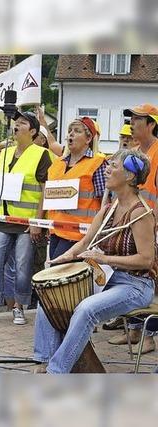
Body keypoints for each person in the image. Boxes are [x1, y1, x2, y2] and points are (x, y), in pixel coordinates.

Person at [44, 149, 155, 373]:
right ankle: (43, 358)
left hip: (135, 285)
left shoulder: (140, 213)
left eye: (113, 166)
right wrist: (65, 258)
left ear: (130, 176)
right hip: (107, 279)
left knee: (87, 309)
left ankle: (55, 373)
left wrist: (104, 258)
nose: (107, 169)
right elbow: (85, 243)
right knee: (48, 296)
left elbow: (146, 259)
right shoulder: (108, 209)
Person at [33, 117, 107, 367]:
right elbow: (48, 197)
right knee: (55, 298)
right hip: (56, 235)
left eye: (77, 131)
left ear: (89, 138)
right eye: (69, 131)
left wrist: (94, 240)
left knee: (56, 297)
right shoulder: (57, 165)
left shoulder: (97, 164)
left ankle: (49, 356)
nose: (71, 135)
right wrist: (40, 222)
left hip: (79, 240)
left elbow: (104, 203)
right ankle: (57, 353)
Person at [0, 110, 52, 325]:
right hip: (2, 219)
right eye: (16, 123)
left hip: (25, 222)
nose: (16, 126)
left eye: (22, 123)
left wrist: (37, 222)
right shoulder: (4, 154)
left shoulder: (42, 154)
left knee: (23, 266)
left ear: (32, 131)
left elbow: (44, 191)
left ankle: (19, 307)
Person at [106, 104, 158, 354]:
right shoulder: (133, 152)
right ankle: (134, 331)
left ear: (151, 124)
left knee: (151, 281)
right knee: (130, 275)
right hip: (132, 221)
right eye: (132, 118)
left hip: (150, 223)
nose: (133, 123)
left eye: (138, 119)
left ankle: (149, 337)